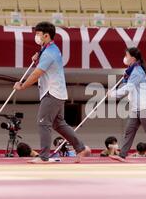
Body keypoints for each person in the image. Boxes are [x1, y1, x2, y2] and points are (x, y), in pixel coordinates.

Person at [14, 21, 90, 163]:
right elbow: (44, 69)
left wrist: (23, 86)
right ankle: (81, 148)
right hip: (57, 92)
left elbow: (37, 74)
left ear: (46, 36)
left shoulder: (49, 52)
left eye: (38, 34)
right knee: (58, 124)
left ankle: (43, 157)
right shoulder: (48, 50)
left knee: (43, 123)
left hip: (52, 92)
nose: (36, 37)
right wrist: (37, 60)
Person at [109, 47, 146, 163]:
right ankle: (122, 155)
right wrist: (126, 78)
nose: (125, 58)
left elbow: (127, 89)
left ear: (133, 58)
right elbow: (128, 85)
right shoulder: (132, 70)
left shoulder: (137, 71)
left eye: (127, 55)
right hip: (136, 108)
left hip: (144, 107)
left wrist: (113, 94)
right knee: (129, 131)